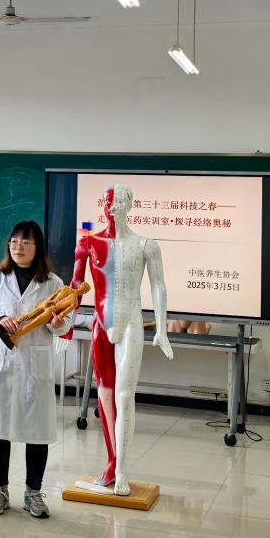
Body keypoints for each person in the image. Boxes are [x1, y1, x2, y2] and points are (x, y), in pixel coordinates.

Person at [71, 185, 172, 497]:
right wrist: (67, 326)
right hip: (102, 325)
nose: (112, 207)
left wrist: (162, 328)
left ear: (130, 205)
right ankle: (112, 463)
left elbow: (158, 286)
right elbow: (75, 286)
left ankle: (122, 471)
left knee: (125, 397)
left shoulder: (146, 245)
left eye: (118, 202)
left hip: (130, 323)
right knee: (104, 398)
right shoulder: (87, 243)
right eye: (108, 202)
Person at [0, 221, 73, 520]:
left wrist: (58, 324)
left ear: (37, 247)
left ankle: (33, 493)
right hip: (1, 363)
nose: (19, 247)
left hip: (34, 365)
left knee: (37, 431)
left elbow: (66, 323)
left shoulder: (53, 283)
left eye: (26, 242)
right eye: (14, 241)